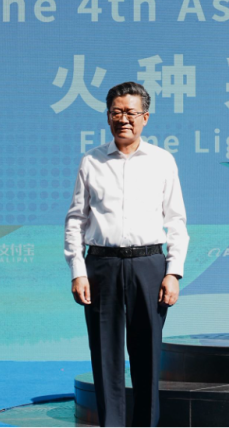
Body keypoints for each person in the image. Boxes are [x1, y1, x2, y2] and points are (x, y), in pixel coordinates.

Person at [64, 81, 189, 427]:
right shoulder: (91, 161)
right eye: (117, 112)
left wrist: (173, 272)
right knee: (105, 356)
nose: (124, 119)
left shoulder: (162, 161)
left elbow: (176, 220)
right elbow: (76, 220)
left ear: (145, 117)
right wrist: (78, 270)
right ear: (108, 117)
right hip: (101, 265)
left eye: (131, 113)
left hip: (149, 265)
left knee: (147, 355)